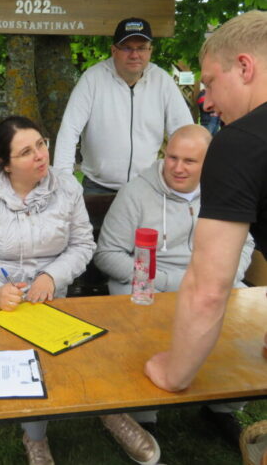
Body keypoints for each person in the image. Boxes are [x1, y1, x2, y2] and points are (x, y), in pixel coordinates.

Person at [0, 116, 161, 465]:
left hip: (50, 297)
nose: (39, 155)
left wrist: (51, 276)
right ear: (5, 164)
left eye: (41, 144)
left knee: (95, 344)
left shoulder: (67, 188)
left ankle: (111, 412)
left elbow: (82, 244)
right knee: (31, 356)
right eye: (25, 152)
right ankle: (36, 438)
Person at [95, 124, 254, 447]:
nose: (178, 168)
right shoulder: (136, 194)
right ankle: (144, 415)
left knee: (242, 324)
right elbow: (107, 254)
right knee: (144, 326)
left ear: (209, 163)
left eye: (190, 161)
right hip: (148, 283)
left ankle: (222, 407)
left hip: (209, 281)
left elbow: (246, 244)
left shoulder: (225, 189)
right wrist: (167, 282)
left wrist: (222, 277)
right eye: (172, 158)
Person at [144, 11, 267, 400]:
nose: (208, 102)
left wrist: (174, 373)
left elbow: (208, 288)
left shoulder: (239, 144)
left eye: (210, 82)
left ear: (245, 67)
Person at [54, 17, 193, 193]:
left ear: (150, 50)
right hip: (98, 186)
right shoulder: (92, 79)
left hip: (146, 186)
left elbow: (184, 132)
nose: (134, 55)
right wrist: (64, 183)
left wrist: (183, 178)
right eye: (127, 47)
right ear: (114, 50)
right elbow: (69, 130)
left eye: (141, 48)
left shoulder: (162, 81)